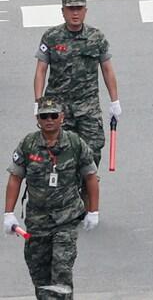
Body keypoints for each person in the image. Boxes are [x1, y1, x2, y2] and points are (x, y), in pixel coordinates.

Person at [5, 96, 100, 299]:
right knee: (40, 275)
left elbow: (91, 177)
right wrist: (8, 213)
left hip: (66, 220)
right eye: (44, 116)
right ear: (38, 119)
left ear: (62, 118)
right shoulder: (28, 144)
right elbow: (15, 178)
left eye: (53, 115)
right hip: (37, 222)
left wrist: (93, 211)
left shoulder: (75, 144)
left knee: (61, 271)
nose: (49, 120)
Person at [33, 0, 119, 166]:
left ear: (85, 11)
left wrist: (114, 101)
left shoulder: (96, 37)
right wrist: (38, 101)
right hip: (58, 109)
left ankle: (87, 192)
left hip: (88, 108)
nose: (75, 13)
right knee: (58, 156)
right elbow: (41, 70)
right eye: (70, 9)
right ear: (63, 11)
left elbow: (107, 70)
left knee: (92, 154)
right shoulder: (51, 37)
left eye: (79, 8)